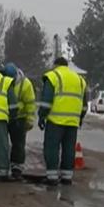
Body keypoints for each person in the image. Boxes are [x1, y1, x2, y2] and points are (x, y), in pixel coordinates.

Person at [38, 57, 88, 185]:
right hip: (73, 122)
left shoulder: (53, 76)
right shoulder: (80, 80)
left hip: (56, 120)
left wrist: (42, 116)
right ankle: (67, 177)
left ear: (55, 65)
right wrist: (80, 118)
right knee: (69, 149)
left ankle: (52, 177)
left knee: (52, 148)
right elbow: (84, 105)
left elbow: (46, 101)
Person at [5, 63, 36, 180]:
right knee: (1, 143)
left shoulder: (25, 84)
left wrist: (29, 120)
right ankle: (0, 166)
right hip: (5, 116)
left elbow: (30, 103)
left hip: (19, 117)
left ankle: (17, 168)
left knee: (18, 144)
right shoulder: (4, 81)